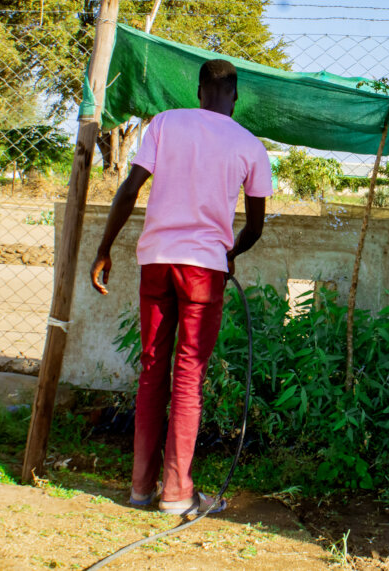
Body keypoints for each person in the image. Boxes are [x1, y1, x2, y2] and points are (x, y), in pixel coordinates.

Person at [89, 59, 272, 515]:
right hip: (203, 272)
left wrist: (104, 248)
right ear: (234, 96)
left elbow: (130, 189)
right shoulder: (250, 146)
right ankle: (177, 494)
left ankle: (139, 489)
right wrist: (227, 256)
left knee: (152, 371)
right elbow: (254, 227)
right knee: (188, 377)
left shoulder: (165, 124)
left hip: (156, 262)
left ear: (198, 91)